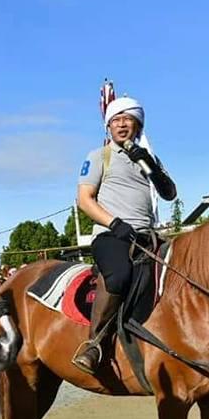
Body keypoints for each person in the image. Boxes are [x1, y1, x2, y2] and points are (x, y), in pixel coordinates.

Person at [72, 96, 177, 374]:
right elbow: (84, 199)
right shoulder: (98, 156)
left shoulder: (149, 158)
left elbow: (170, 194)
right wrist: (115, 223)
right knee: (118, 276)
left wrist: (151, 166)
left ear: (137, 124)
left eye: (126, 119)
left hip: (147, 235)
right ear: (108, 127)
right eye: (115, 120)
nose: (121, 124)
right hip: (111, 234)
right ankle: (94, 343)